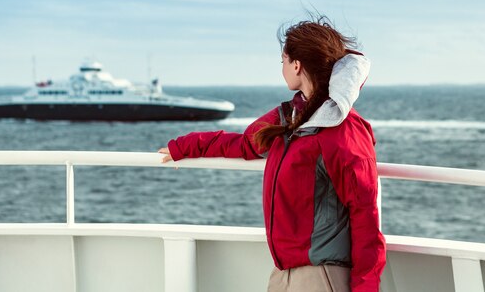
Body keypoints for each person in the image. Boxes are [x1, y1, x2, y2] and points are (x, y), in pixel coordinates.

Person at [158, 16, 386, 291]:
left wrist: (365, 287)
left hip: (321, 278)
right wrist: (183, 147)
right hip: (283, 275)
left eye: (283, 61)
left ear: (296, 65)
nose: (282, 68)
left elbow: (365, 218)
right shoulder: (290, 117)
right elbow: (245, 144)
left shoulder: (343, 131)